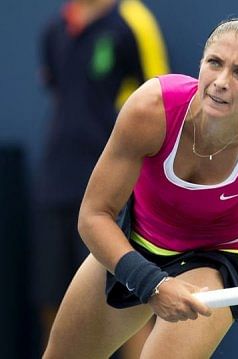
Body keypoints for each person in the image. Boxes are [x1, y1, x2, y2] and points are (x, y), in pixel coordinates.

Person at [43, 15, 238, 358]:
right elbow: (94, 215)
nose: (220, 81)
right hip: (140, 237)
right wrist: (152, 283)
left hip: (216, 257)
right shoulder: (151, 109)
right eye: (214, 63)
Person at [34, 0, 169, 357]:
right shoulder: (55, 30)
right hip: (58, 181)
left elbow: (160, 100)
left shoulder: (133, 22)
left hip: (117, 188)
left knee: (126, 301)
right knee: (54, 297)